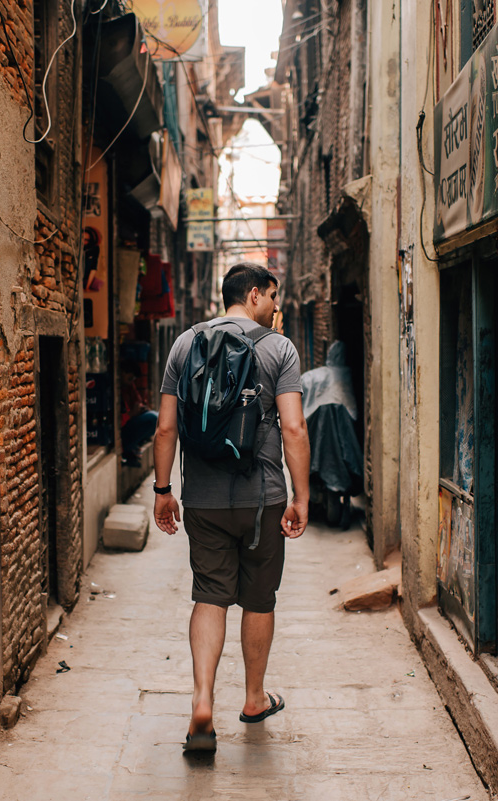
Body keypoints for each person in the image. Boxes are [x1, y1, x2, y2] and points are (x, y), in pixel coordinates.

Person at [152, 263, 311, 752]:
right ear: (255, 294)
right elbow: (294, 429)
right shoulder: (278, 348)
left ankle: (202, 701)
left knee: (210, 594)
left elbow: (165, 428)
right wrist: (301, 496)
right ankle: (254, 699)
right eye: (273, 299)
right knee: (259, 598)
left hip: (202, 498)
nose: (275, 309)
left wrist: (163, 490)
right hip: (262, 498)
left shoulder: (185, 344)